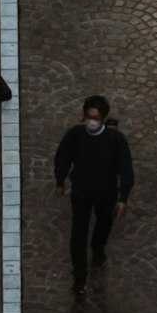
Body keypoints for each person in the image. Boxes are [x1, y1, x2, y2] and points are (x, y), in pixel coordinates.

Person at [55, 91, 133, 288]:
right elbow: (62, 158)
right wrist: (60, 181)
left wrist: (123, 197)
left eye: (96, 118)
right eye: (89, 117)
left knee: (104, 224)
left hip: (106, 194)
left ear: (104, 118)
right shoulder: (74, 136)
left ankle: (98, 249)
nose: (91, 121)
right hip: (81, 192)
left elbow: (126, 169)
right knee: (78, 234)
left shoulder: (115, 140)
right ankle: (80, 277)